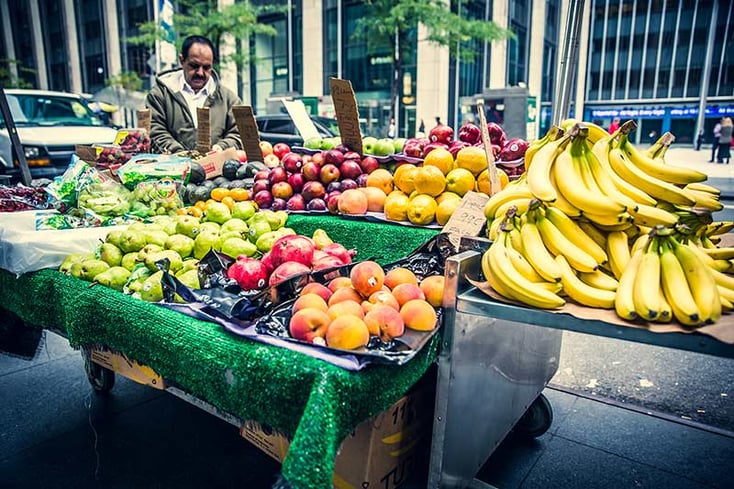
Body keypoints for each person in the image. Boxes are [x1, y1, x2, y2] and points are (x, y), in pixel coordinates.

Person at [146, 35, 242, 154]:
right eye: (194, 66)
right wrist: (181, 154)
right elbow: (155, 131)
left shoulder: (229, 99)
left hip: (218, 169)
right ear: (182, 60)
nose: (200, 73)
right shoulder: (160, 95)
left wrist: (221, 147)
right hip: (172, 169)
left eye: (206, 67)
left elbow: (240, 134)